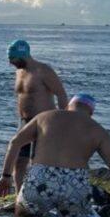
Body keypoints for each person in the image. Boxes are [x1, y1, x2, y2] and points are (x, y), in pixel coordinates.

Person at [7, 39, 69, 193]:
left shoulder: (43, 70)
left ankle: (40, 195)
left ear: (24, 55)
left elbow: (61, 95)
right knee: (19, 161)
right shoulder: (19, 72)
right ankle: (19, 197)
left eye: (13, 58)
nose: (11, 62)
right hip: (24, 122)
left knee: (39, 162)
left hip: (44, 122)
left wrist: (65, 122)